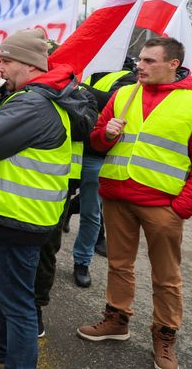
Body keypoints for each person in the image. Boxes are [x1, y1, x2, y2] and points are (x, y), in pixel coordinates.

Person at [0, 29, 93, 369]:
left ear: (30, 64)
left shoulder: (34, 103)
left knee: (18, 306)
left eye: (5, 60)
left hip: (15, 219)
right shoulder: (33, 97)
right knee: (7, 296)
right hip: (11, 217)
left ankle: (13, 359)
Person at [77, 37, 192, 369]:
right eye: (140, 60)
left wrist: (181, 209)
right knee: (119, 265)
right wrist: (106, 134)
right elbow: (96, 141)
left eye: (149, 61)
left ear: (173, 65)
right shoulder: (123, 94)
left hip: (162, 206)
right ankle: (117, 321)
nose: (140, 66)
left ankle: (164, 336)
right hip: (118, 198)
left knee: (166, 277)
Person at [71, 60, 137, 287]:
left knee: (91, 212)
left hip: (96, 156)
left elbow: (112, 101)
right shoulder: (88, 70)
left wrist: (78, 86)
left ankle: (82, 261)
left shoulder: (129, 79)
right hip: (71, 150)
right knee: (54, 206)